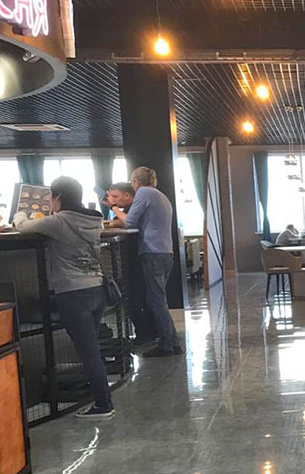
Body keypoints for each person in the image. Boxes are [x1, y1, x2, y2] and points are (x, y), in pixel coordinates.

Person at [13, 177, 114, 419]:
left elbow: (23, 226)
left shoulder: (59, 222)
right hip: (97, 288)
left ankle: (103, 404)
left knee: (88, 352)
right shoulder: (94, 219)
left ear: (57, 197)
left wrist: (20, 213)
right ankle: (101, 399)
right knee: (91, 349)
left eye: (51, 196)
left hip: (73, 292)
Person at [111, 166, 181, 358]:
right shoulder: (159, 195)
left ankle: (167, 345)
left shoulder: (143, 193)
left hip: (153, 253)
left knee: (156, 300)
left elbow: (130, 222)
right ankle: (172, 342)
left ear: (135, 182)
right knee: (157, 299)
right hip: (165, 252)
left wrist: (114, 208)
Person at [103, 182, 157, 347]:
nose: (113, 200)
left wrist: (113, 208)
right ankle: (150, 332)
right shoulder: (128, 209)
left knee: (136, 298)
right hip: (138, 258)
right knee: (140, 297)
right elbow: (119, 222)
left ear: (127, 195)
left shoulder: (135, 207)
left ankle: (145, 333)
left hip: (140, 258)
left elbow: (127, 222)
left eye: (116, 197)